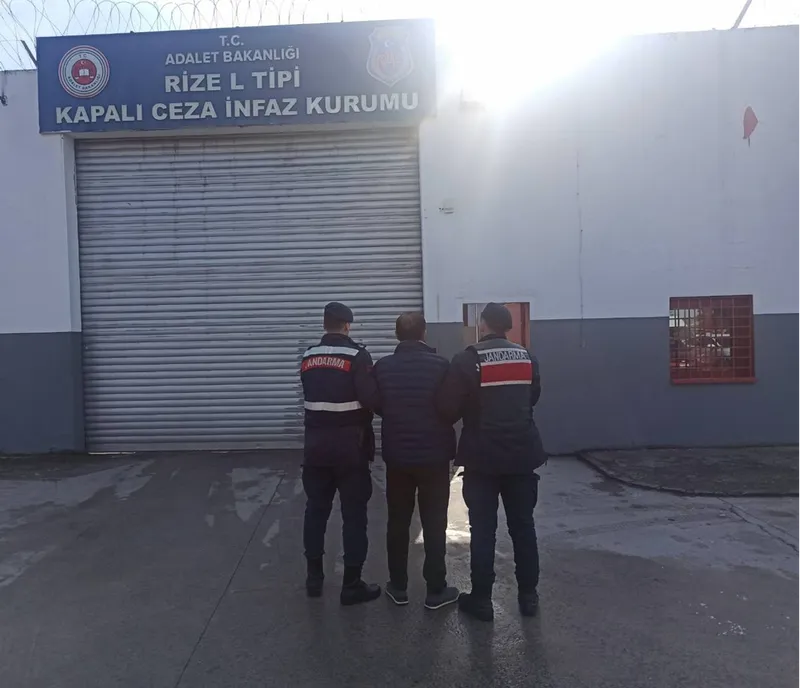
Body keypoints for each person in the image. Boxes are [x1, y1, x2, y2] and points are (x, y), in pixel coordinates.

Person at [437, 303, 546, 622]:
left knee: (483, 530)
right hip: (522, 455)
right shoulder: (527, 358)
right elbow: (533, 397)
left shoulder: (468, 359)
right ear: (508, 327)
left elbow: (447, 408)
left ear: (483, 324)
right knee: (523, 526)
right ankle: (529, 596)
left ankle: (482, 600)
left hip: (482, 458)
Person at [373, 312, 460, 610]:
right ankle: (436, 590)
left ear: (397, 335)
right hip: (434, 458)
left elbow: (377, 403)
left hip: (398, 457)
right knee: (435, 522)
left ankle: (398, 587)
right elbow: (451, 408)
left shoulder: (383, 367)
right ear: (424, 333)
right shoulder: (442, 366)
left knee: (398, 520)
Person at [299, 302, 382, 606]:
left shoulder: (308, 356)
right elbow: (371, 399)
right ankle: (351, 584)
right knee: (354, 515)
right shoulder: (357, 356)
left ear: (325, 324)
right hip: (350, 448)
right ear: (347, 325)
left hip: (315, 448)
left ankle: (314, 578)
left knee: (316, 510)